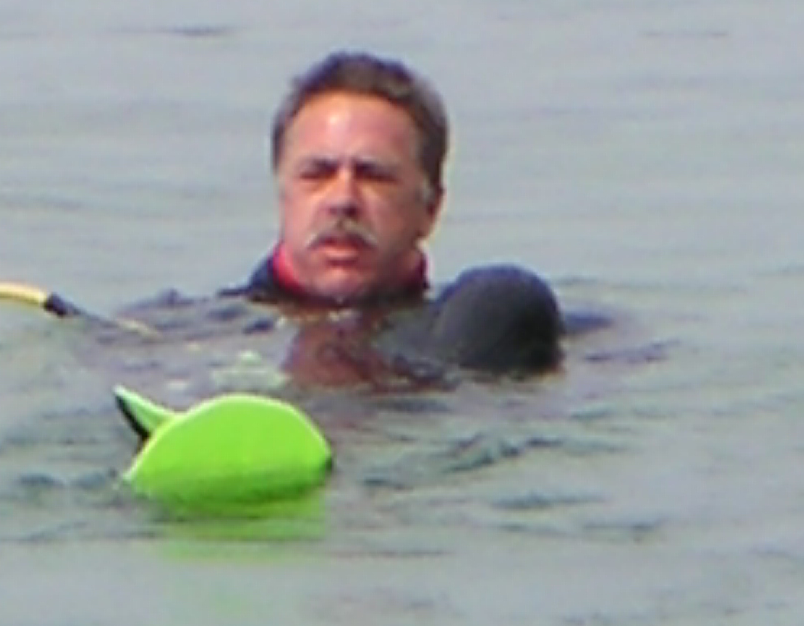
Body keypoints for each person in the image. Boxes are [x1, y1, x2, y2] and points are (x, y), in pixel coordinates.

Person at [230, 51, 563, 380]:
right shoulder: (214, 337)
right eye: (317, 174)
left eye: (374, 176)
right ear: (282, 196)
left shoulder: (483, 326)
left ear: (430, 208)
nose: (343, 200)